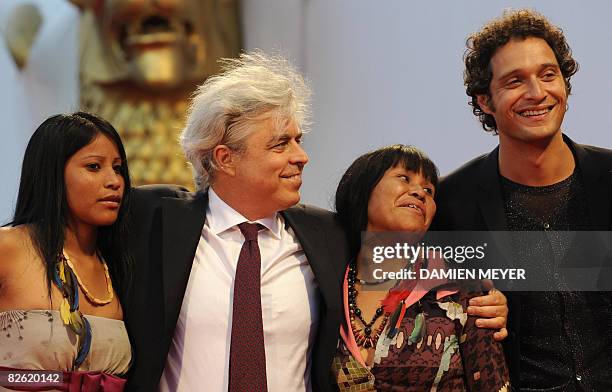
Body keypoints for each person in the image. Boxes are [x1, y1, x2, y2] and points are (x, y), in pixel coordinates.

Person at [434, 9, 612, 391]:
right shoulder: (451, 204)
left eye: (548, 75)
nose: (537, 93)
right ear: (485, 100)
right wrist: (464, 307)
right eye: (515, 81)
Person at [332, 144, 510, 391]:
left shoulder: (462, 290)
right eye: (404, 178)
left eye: (428, 190)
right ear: (363, 188)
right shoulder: (323, 283)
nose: (419, 193)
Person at [0, 112, 133, 390]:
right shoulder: (8, 247)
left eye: (118, 168)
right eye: (94, 166)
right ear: (52, 174)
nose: (114, 181)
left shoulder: (119, 265)